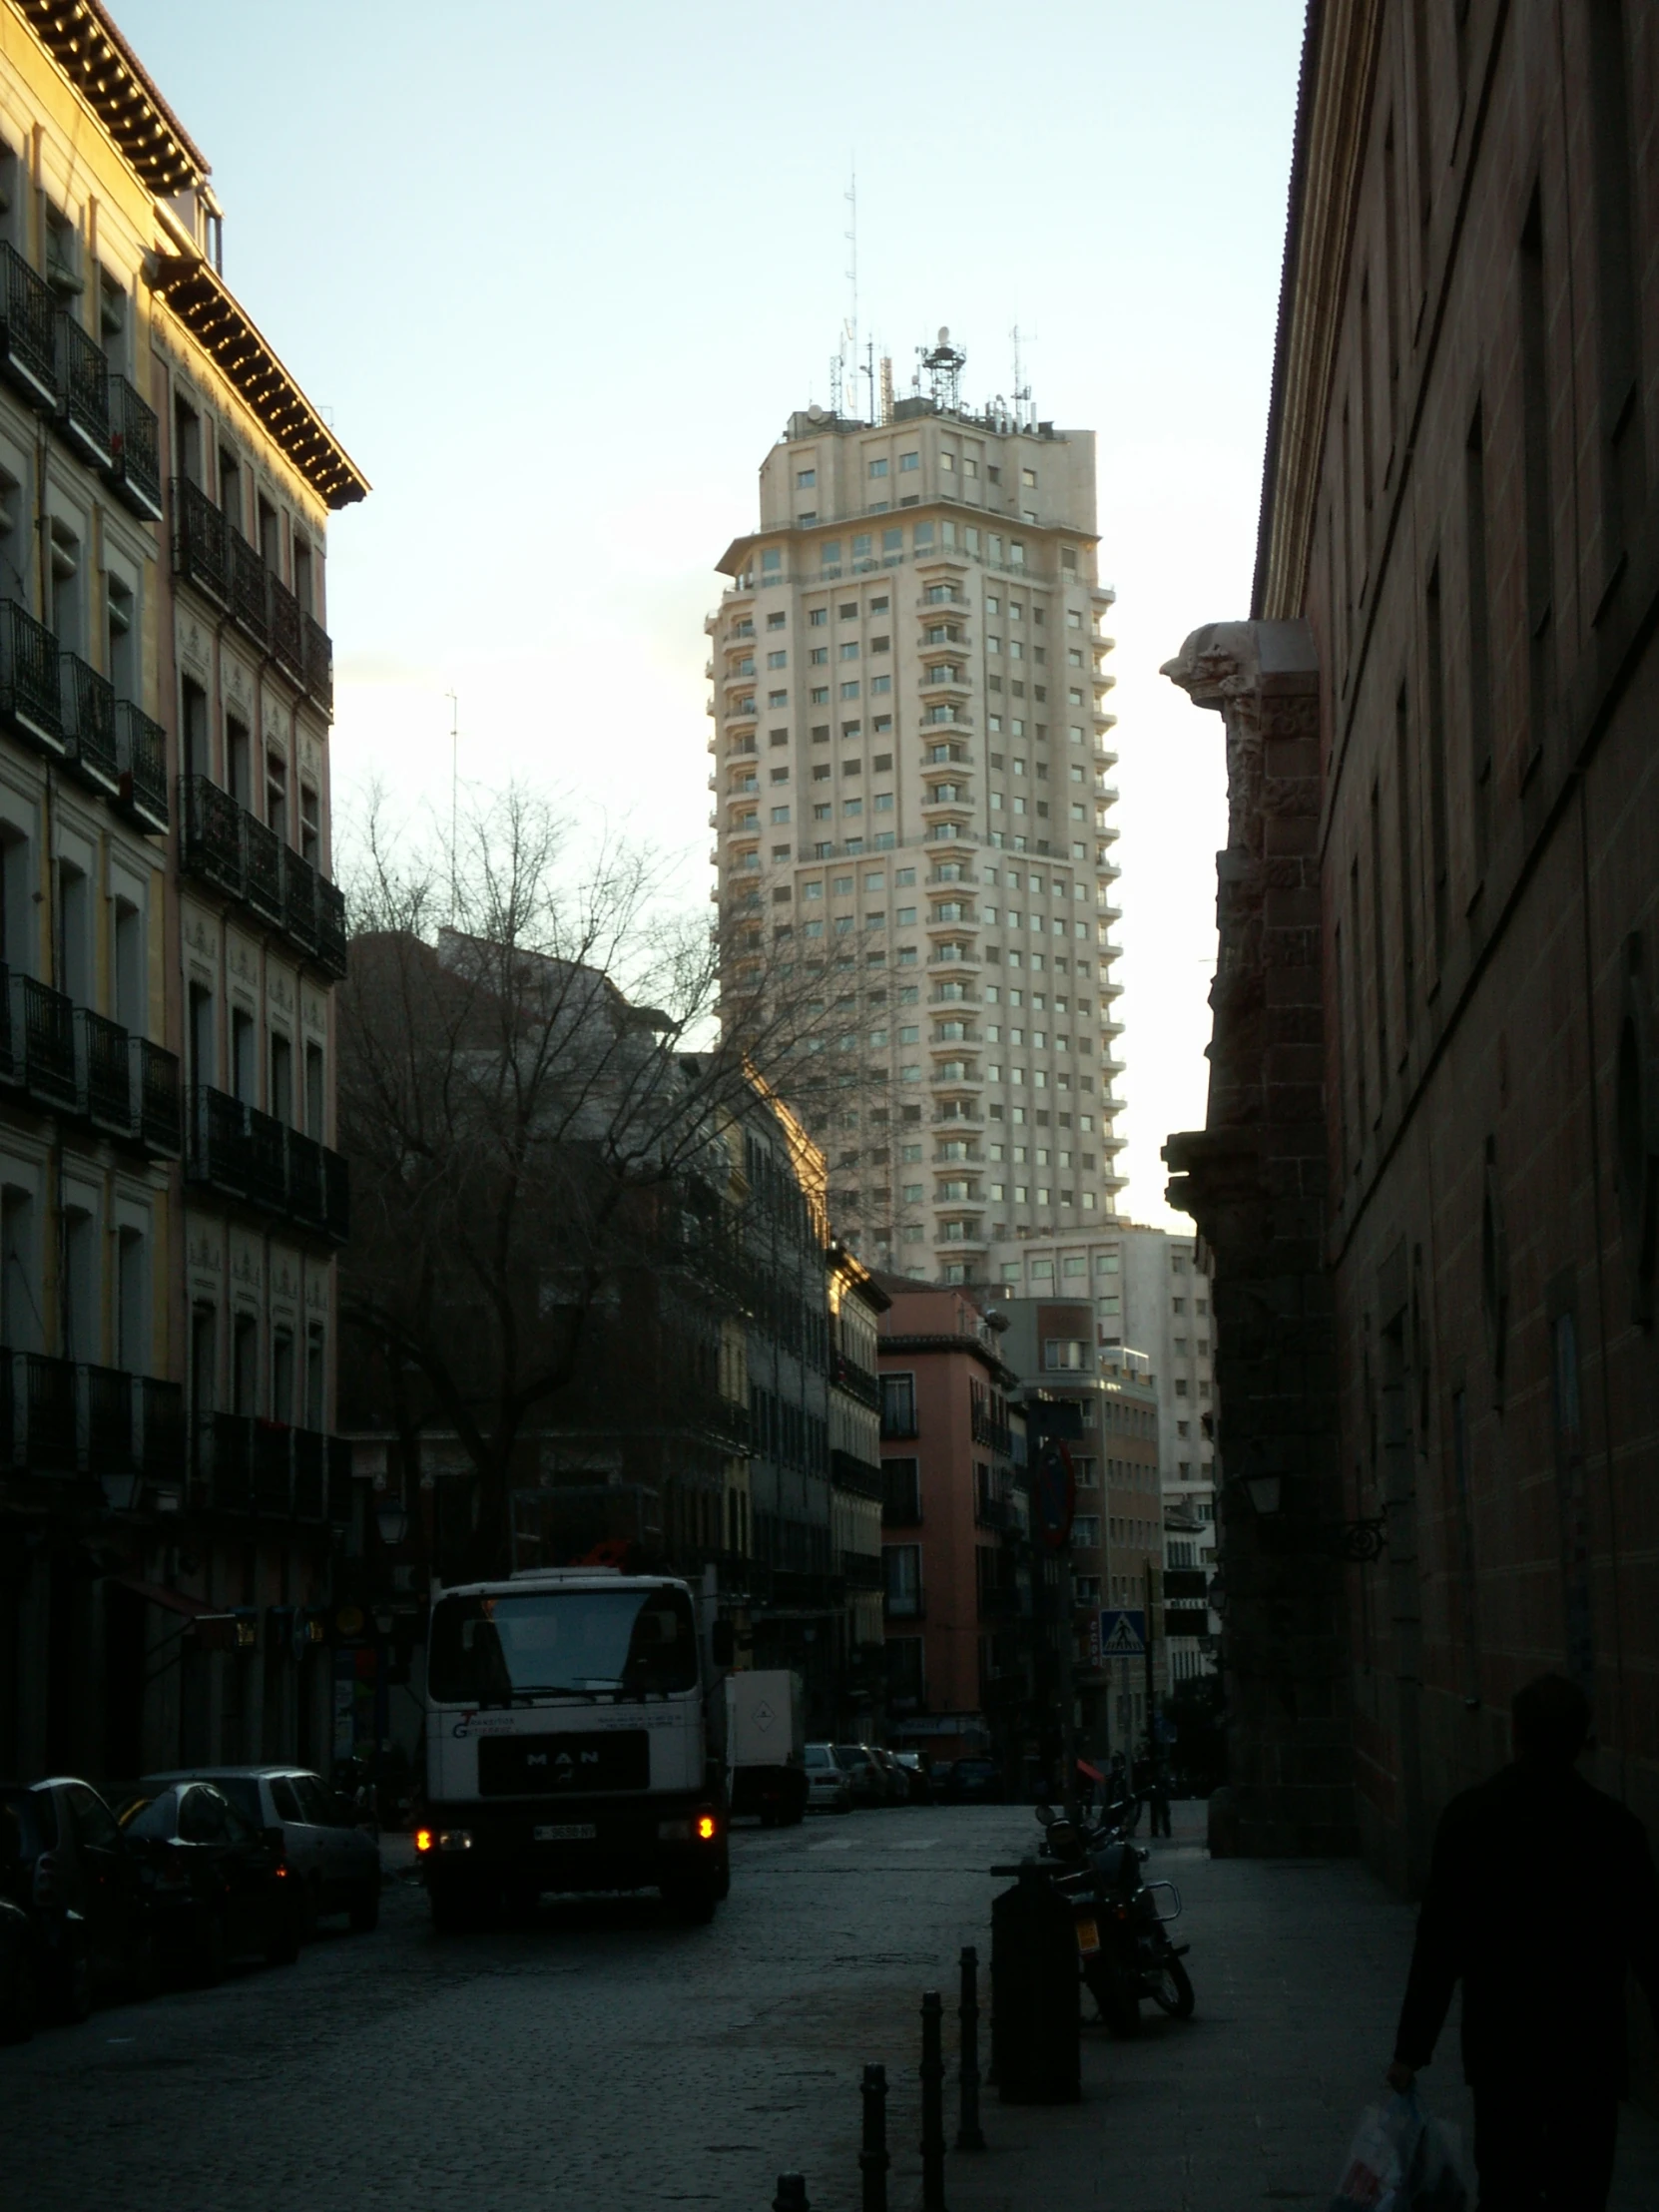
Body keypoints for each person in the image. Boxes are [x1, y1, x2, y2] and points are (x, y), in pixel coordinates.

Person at [1387, 1674, 1659, 2210]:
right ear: (1582, 1738)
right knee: (1581, 2188)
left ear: (1515, 1733)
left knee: (1506, 2185)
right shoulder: (1615, 1830)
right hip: (1588, 2047)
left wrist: (1411, 2051)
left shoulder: (1470, 1820)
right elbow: (1649, 1946)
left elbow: (1439, 1945)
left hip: (1503, 2045)